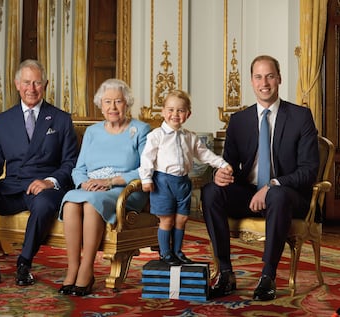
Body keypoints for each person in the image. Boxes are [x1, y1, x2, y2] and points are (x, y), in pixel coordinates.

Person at [201, 55, 319, 301]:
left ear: (279, 79)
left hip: (288, 195)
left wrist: (273, 184)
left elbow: (309, 170)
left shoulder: (300, 117)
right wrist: (220, 174)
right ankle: (225, 273)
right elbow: (229, 164)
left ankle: (268, 276)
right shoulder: (239, 120)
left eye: (269, 76)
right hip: (249, 193)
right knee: (211, 190)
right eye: (258, 77)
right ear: (251, 82)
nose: (264, 82)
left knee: (276, 194)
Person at [0, 59, 78, 289]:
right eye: (27, 82)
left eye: (37, 83)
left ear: (45, 84)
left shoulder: (61, 119)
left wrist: (50, 181)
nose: (32, 88)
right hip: (13, 185)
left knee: (44, 203)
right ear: (17, 84)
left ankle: (24, 264)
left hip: (45, 187)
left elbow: (71, 163)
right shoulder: (3, 120)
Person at [58, 78, 151, 296]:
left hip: (124, 191)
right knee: (71, 201)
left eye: (118, 101)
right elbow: (78, 168)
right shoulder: (92, 132)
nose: (112, 107)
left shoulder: (140, 130)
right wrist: (85, 183)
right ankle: (73, 267)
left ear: (127, 104)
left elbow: (146, 169)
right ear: (100, 104)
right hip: (91, 188)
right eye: (107, 102)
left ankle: (87, 268)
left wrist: (111, 181)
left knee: (92, 204)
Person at [139, 89, 232, 266]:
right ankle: (165, 253)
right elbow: (147, 158)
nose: (175, 114)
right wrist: (146, 179)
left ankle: (177, 251)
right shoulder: (156, 136)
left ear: (187, 114)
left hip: (183, 183)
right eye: (171, 110)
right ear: (163, 112)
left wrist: (221, 164)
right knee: (166, 219)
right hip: (162, 182)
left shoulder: (189, 137)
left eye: (180, 110)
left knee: (181, 219)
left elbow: (204, 154)